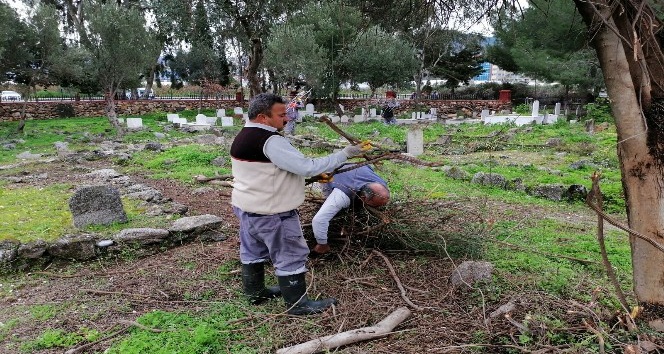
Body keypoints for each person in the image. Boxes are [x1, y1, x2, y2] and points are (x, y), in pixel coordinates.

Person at [230, 93, 369, 315]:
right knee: (290, 253)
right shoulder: (270, 140)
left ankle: (255, 293)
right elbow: (306, 166)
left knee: (252, 250)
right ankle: (298, 304)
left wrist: (308, 178)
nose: (287, 119)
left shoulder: (243, 135)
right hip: (273, 212)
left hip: (247, 207)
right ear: (262, 117)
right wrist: (344, 154)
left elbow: (268, 172)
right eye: (281, 114)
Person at [311, 165, 390, 255]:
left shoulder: (382, 184)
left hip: (352, 166)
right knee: (328, 207)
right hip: (327, 172)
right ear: (363, 197)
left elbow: (368, 166)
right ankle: (323, 247)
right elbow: (319, 220)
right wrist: (322, 244)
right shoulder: (341, 195)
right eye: (375, 206)